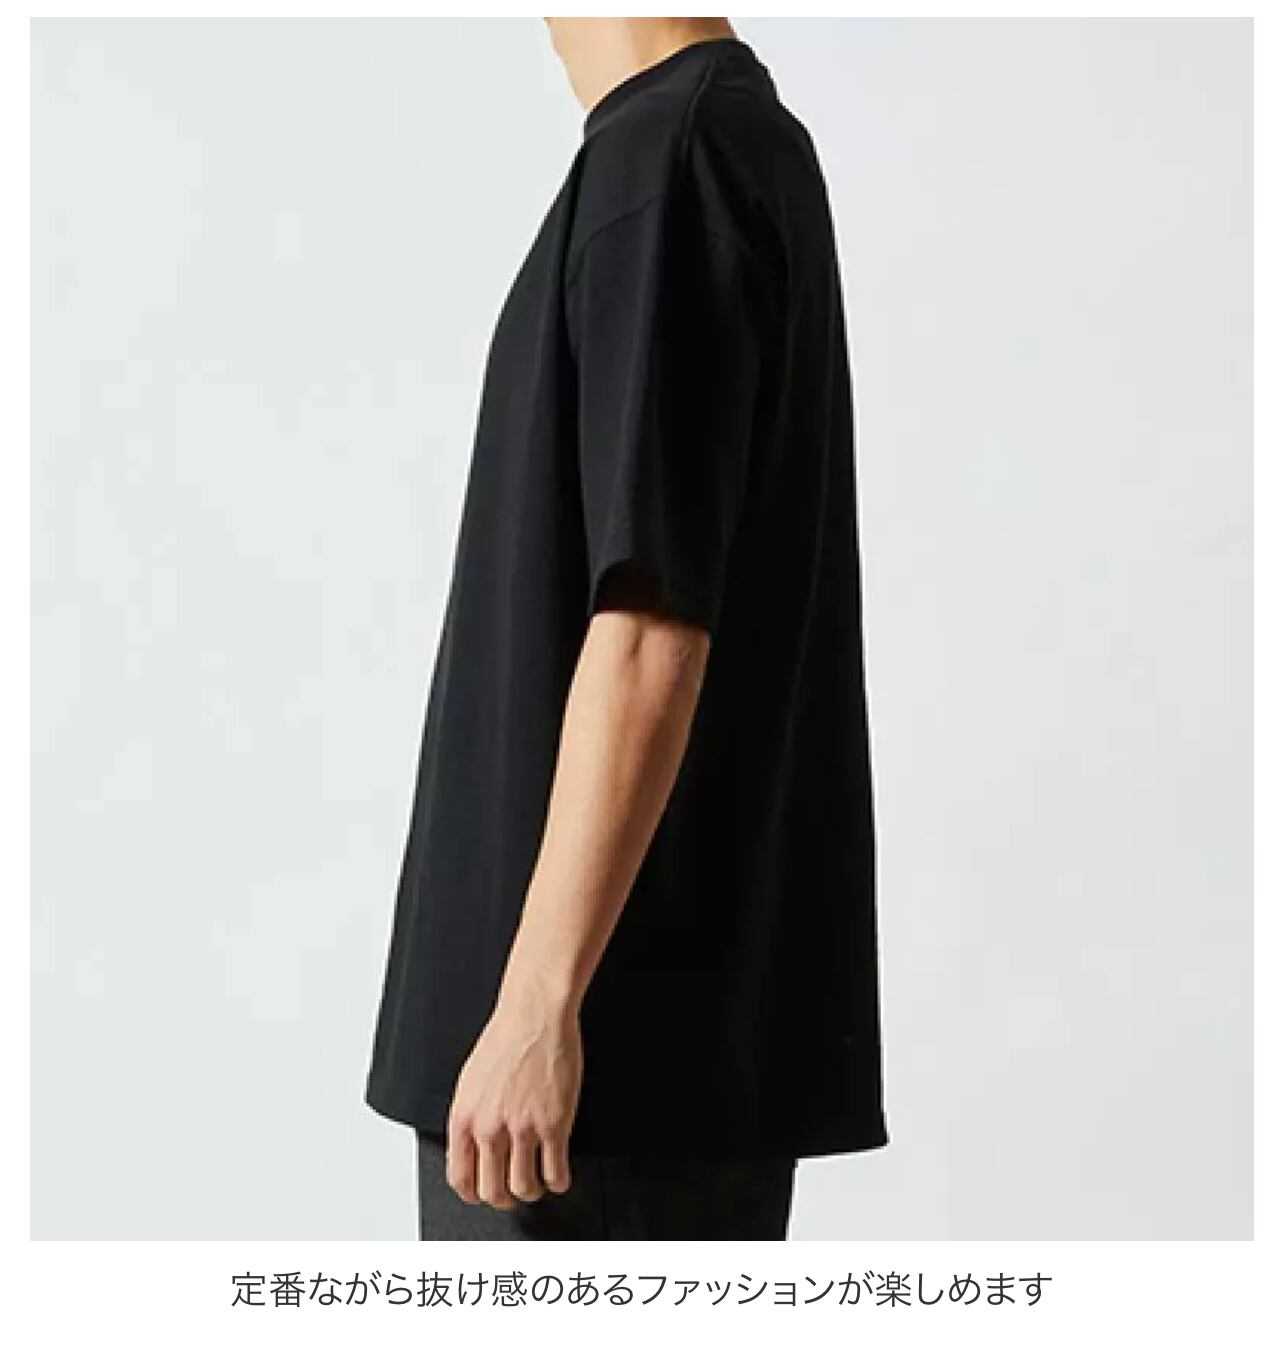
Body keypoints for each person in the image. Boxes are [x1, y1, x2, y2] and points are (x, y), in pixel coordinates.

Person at [364, 16, 889, 1241]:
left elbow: (655, 619)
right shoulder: (703, 148)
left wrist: (539, 1002)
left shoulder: (677, 157)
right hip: (610, 1073)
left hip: (588, 1085)